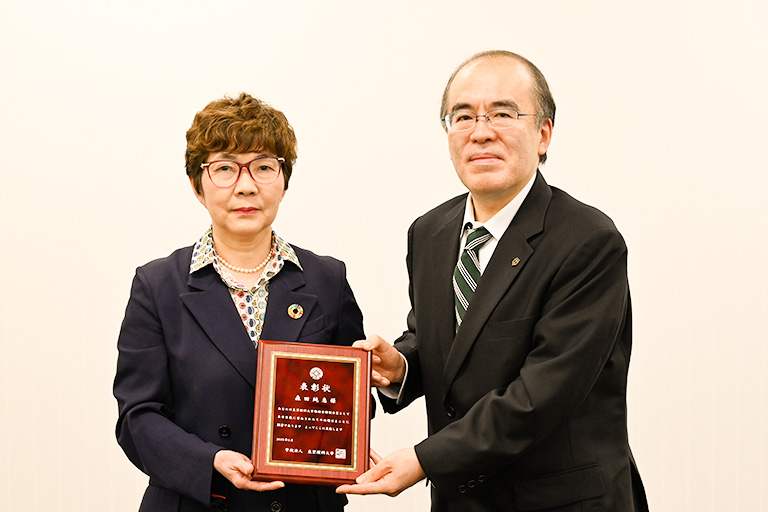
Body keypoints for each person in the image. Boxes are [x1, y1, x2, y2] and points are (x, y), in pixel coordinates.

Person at [337, 51, 648, 511]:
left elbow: (541, 394)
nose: (481, 131)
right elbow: (449, 343)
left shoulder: (588, 241)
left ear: (543, 134)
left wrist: (424, 459)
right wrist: (401, 366)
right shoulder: (430, 233)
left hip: (561, 502)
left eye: (503, 113)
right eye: (462, 116)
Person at [114, 93, 364, 512]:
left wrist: (348, 437)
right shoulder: (157, 285)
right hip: (197, 501)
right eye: (225, 168)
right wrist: (209, 461)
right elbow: (137, 418)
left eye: (264, 167)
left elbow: (353, 403)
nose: (246, 185)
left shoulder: (327, 279)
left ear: (284, 181)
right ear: (197, 184)